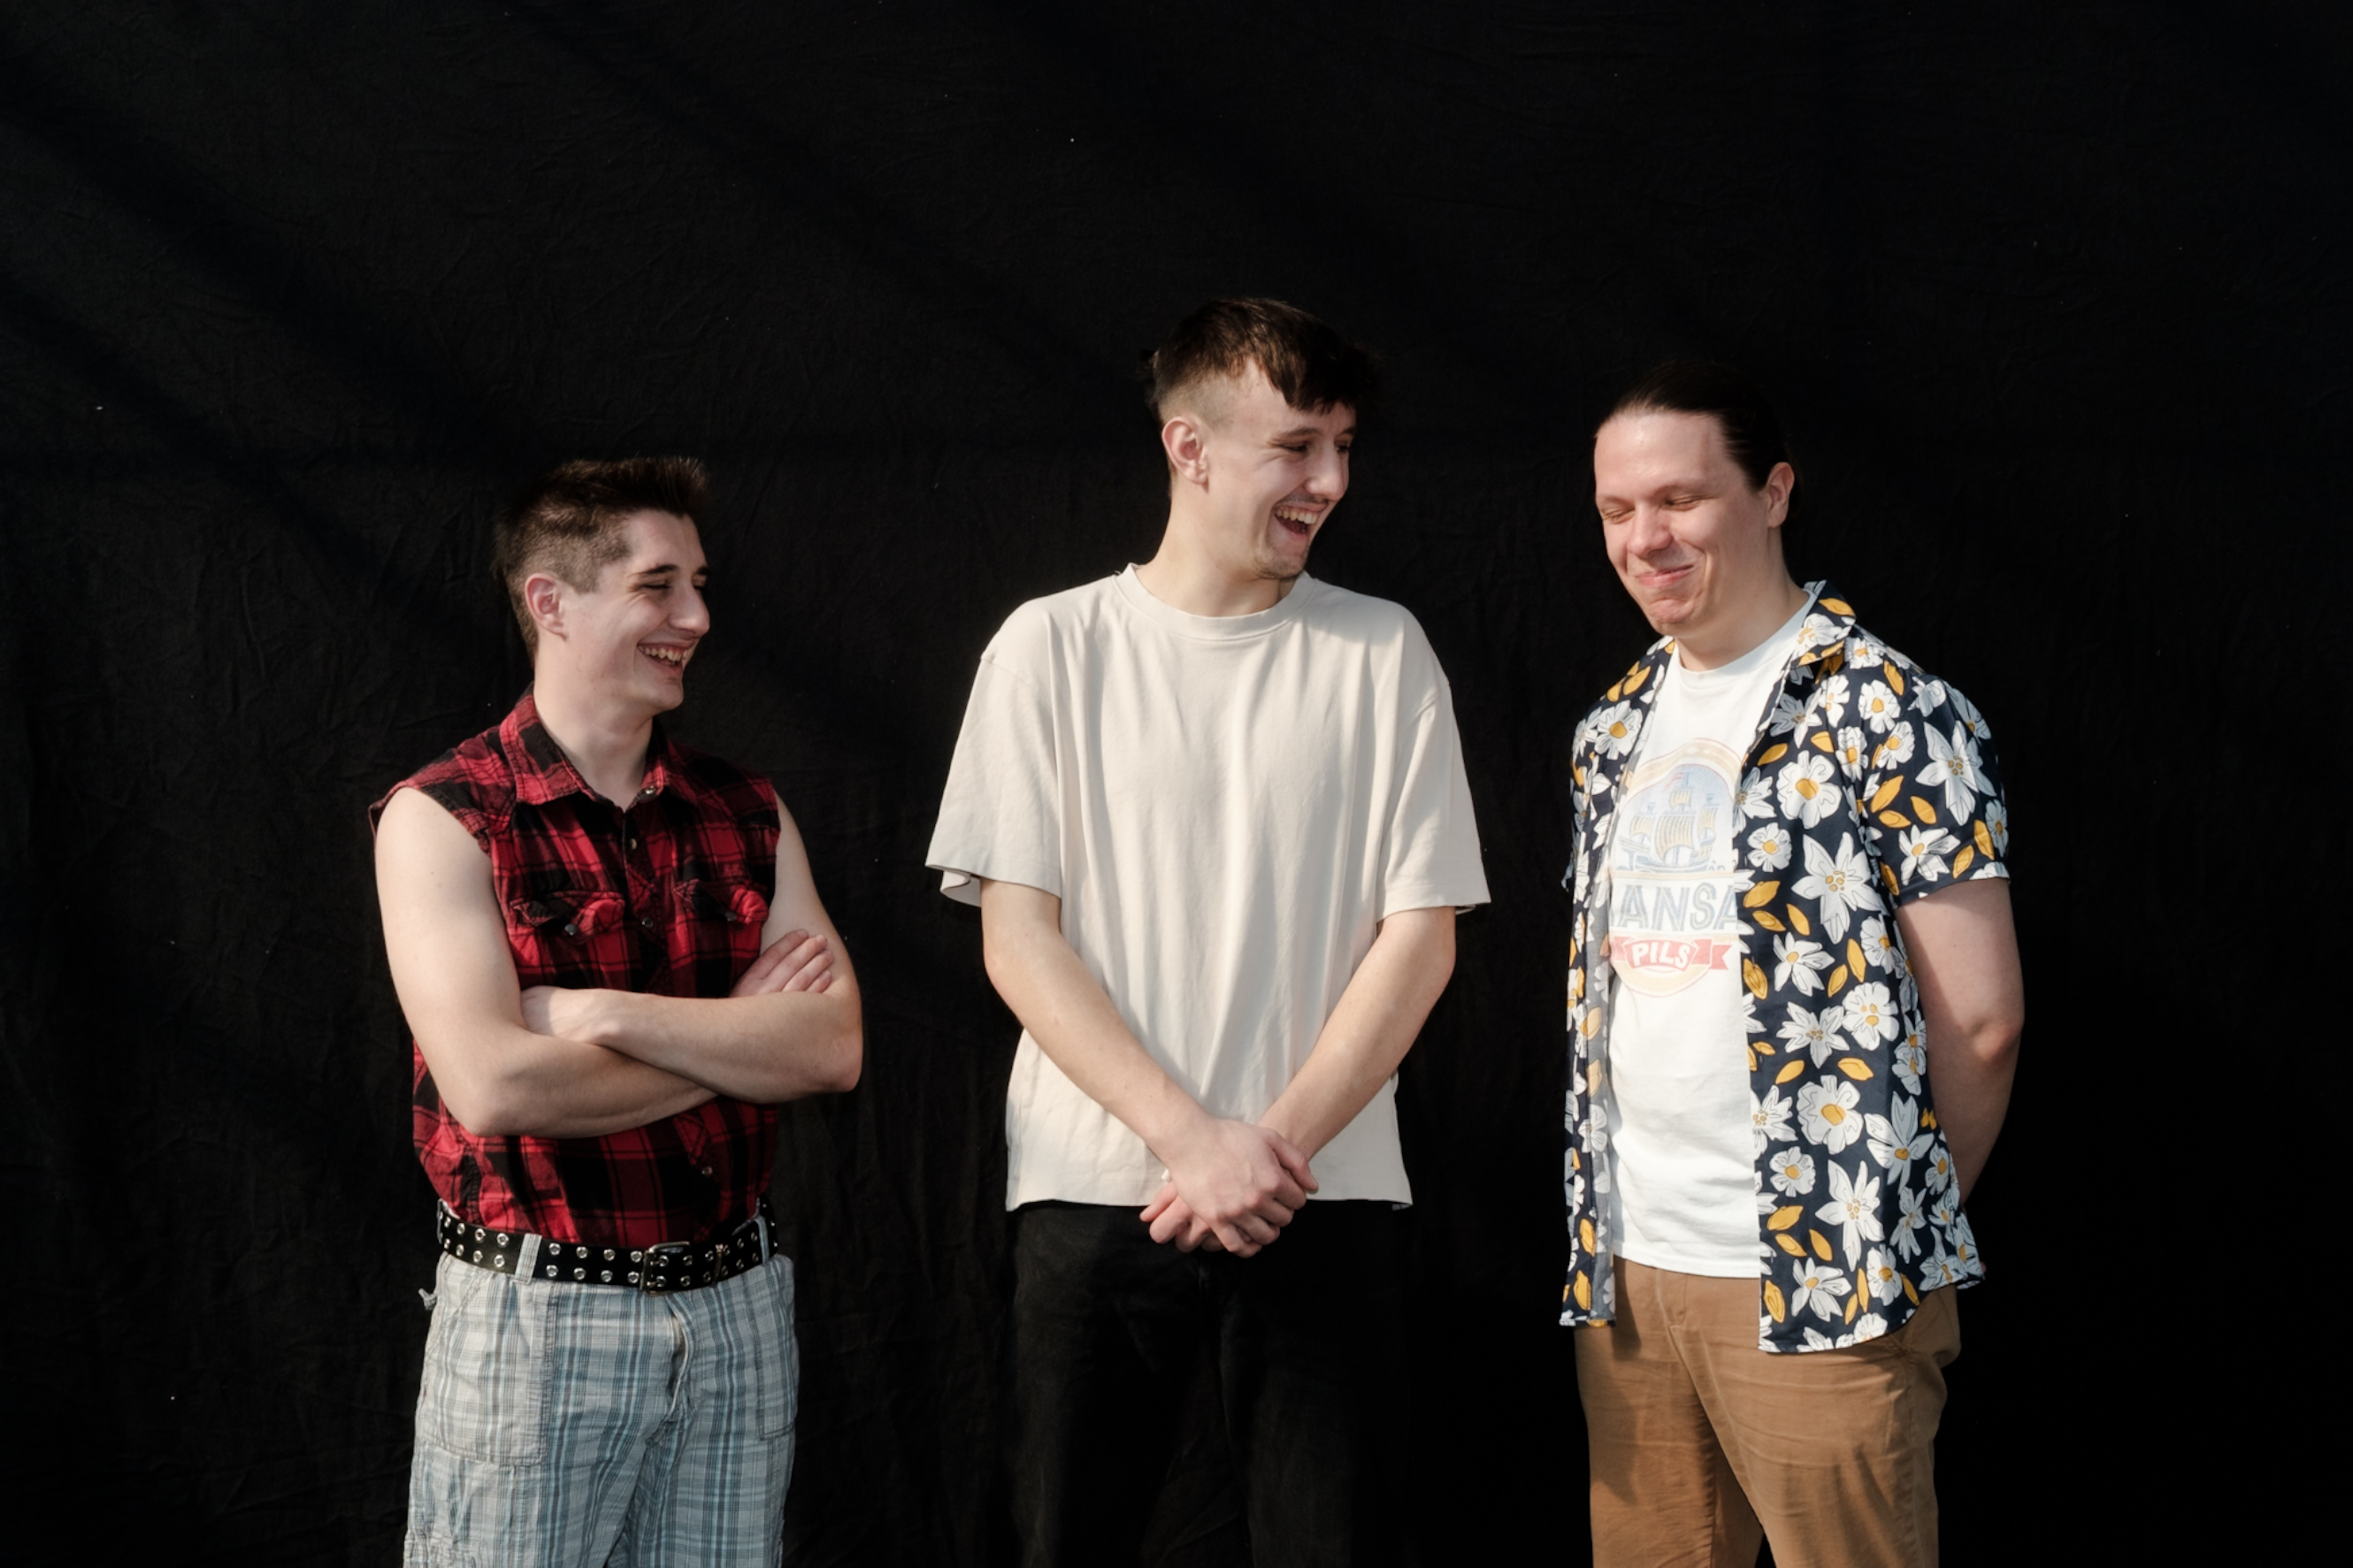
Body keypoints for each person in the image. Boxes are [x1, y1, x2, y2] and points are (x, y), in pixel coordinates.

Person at [927, 297, 1488, 1566]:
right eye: (1296, 446)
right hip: (1095, 1190)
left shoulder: (1383, 651)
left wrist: (1269, 1152)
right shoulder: (1049, 647)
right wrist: (1190, 1140)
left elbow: (1422, 937)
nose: (1329, 480)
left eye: (1342, 447)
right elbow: (1017, 936)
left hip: (1323, 1190)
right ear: (1188, 447)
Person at [1558, 360, 2025, 1568]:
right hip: (1626, 1269)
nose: (1645, 538)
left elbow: (1981, 1020)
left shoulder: (1888, 708)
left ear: (1771, 494)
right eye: (1617, 509)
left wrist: (1881, 1217)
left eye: (1680, 499)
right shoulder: (1613, 727)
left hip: (1824, 1275)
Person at [372, 457, 862, 1566]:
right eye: (657, 586)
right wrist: (742, 1036)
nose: (696, 617)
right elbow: (496, 1086)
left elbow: (831, 1047)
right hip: (536, 1319)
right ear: (550, 600)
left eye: (698, 584)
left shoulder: (747, 808)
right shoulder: (444, 817)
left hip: (737, 1312)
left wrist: (600, 1014)